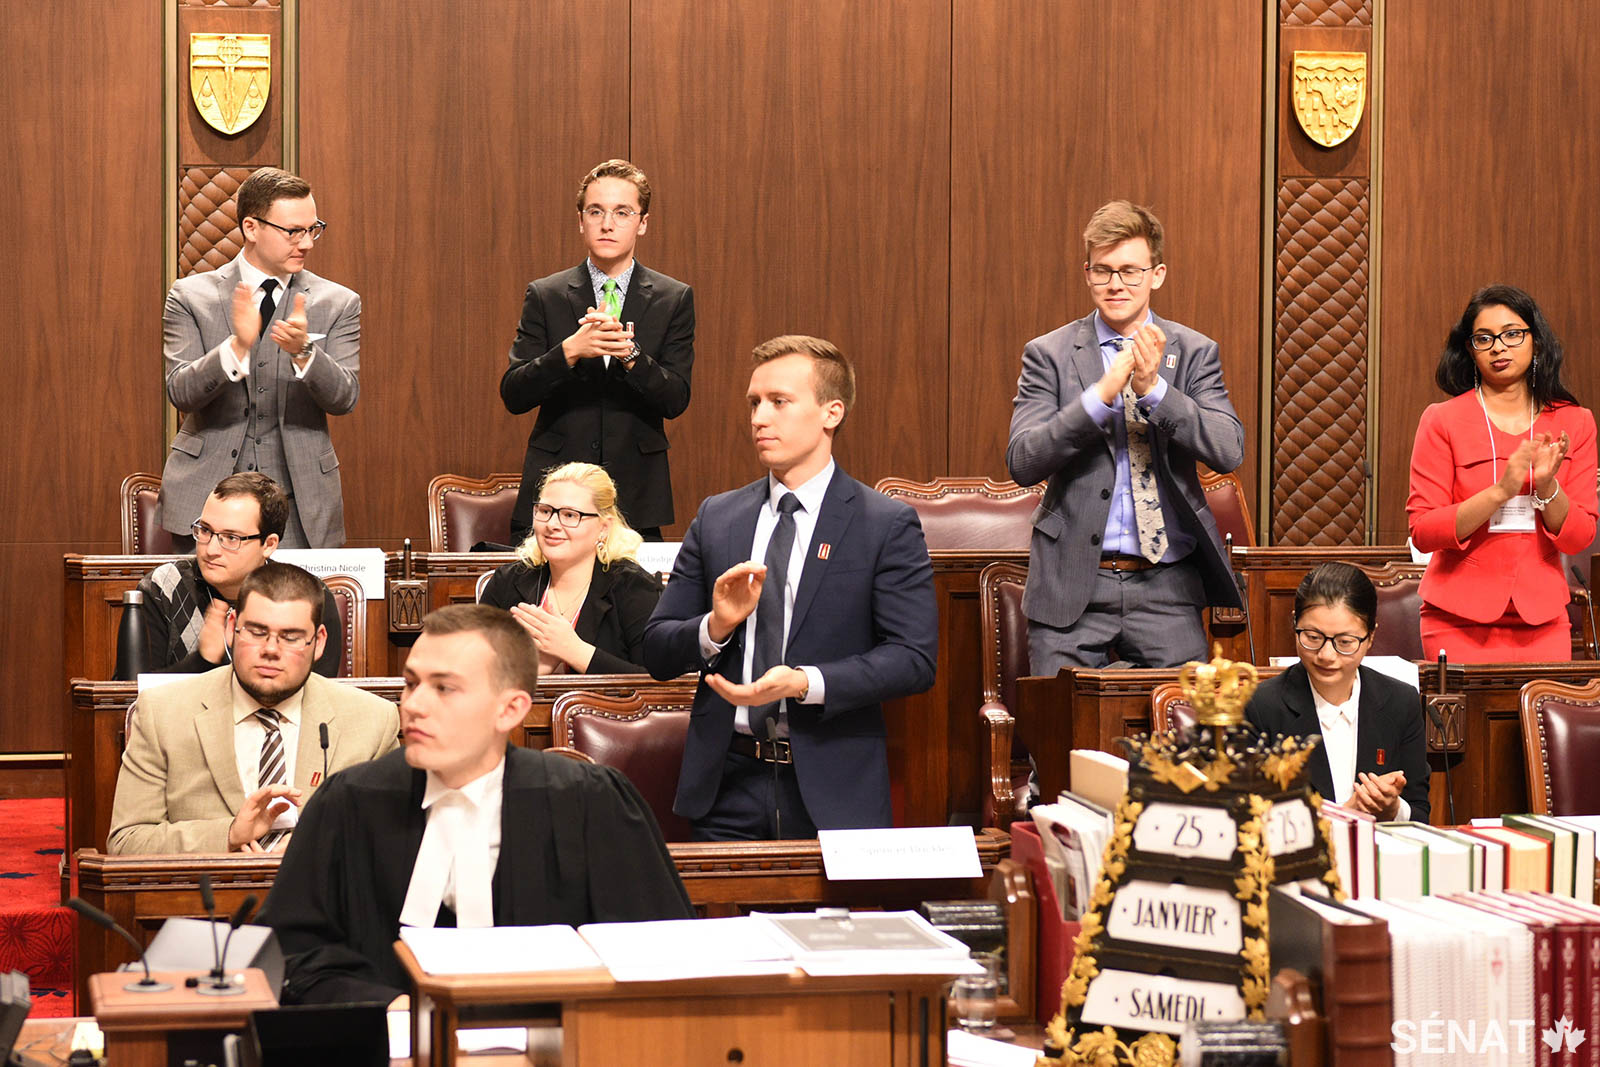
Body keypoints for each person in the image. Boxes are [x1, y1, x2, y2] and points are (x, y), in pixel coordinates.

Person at [258, 604, 692, 1005]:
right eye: (411, 684)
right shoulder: (349, 803)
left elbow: (661, 957)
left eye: (444, 688)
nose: (413, 705)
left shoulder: (589, 802)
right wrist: (389, 1007)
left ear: (510, 710)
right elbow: (288, 954)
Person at [642, 335, 937, 840]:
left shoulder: (883, 524)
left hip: (831, 788)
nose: (759, 417)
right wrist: (717, 626)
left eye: (779, 402)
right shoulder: (718, 517)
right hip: (725, 786)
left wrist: (805, 682)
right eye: (754, 403)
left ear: (831, 413)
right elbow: (656, 648)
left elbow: (914, 659)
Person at [1006, 200, 1245, 673]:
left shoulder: (1194, 351)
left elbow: (1227, 449)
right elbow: (1023, 460)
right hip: (1073, 582)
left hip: (1167, 586)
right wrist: (1100, 396)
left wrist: (1154, 390)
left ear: (1156, 274)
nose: (1116, 284)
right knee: (1057, 736)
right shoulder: (1049, 354)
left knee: (1191, 738)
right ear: (1087, 273)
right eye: (1103, 271)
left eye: (1130, 271)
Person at [108, 562, 398, 854]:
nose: (271, 650)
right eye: (257, 632)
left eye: (291, 637)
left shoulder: (373, 722)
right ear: (232, 627)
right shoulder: (163, 713)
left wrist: (320, 848)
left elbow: (392, 838)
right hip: (206, 897)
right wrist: (228, 835)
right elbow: (126, 842)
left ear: (319, 642)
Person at [158, 166, 360, 549]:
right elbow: (181, 392)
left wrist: (305, 351)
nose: (307, 244)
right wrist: (236, 348)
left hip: (300, 507)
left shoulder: (338, 303)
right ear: (251, 228)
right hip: (207, 501)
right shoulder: (190, 297)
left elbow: (345, 397)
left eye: (313, 228)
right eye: (293, 232)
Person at [501, 159, 695, 543]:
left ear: (642, 222)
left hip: (636, 495)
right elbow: (514, 393)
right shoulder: (547, 294)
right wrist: (569, 351)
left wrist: (631, 355)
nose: (608, 224)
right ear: (581, 220)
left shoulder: (674, 298)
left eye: (622, 212)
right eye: (596, 211)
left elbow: (676, 399)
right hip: (556, 486)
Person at [1408, 284, 1598, 662]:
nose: (1499, 347)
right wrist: (1501, 491)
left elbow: (1578, 538)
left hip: (1543, 619)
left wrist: (1546, 485)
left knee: (1541, 722)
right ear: (1469, 350)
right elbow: (1424, 531)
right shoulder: (1442, 420)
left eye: (1512, 334)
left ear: (1536, 342)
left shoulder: (1574, 422)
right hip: (1456, 618)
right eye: (1484, 338)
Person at [1245, 563, 1431, 824]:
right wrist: (1344, 816)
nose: (1326, 655)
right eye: (1312, 637)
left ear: (1370, 637)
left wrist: (1393, 809)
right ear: (1294, 624)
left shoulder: (1400, 702)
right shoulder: (1261, 706)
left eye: (1345, 642)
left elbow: (1420, 814)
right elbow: (1250, 819)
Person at [136, 473, 342, 676]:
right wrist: (202, 661)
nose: (211, 549)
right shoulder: (163, 587)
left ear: (269, 545)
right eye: (205, 530)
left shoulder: (307, 596)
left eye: (231, 537)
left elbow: (317, 695)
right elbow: (134, 695)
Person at [478, 462, 661, 674]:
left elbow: (658, 684)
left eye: (570, 515)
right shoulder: (507, 581)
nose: (552, 524)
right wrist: (533, 672)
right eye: (545, 511)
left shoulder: (634, 588)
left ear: (603, 528)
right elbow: (472, 671)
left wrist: (574, 651)